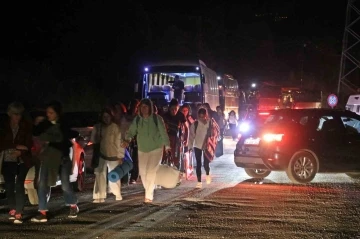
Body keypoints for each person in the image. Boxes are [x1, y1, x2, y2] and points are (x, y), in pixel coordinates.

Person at [31, 101, 79, 223]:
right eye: (47, 112)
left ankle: (73, 205)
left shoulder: (63, 124)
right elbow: (35, 131)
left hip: (62, 157)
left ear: (57, 113)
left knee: (65, 183)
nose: (48, 115)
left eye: (51, 112)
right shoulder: (45, 124)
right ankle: (42, 212)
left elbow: (68, 136)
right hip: (47, 157)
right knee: (42, 183)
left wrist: (52, 139)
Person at [122, 99, 170, 203]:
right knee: (143, 173)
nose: (144, 109)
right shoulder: (137, 120)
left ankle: (148, 195)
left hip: (156, 149)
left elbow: (163, 133)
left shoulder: (157, 119)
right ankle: (149, 188)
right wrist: (127, 140)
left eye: (146, 107)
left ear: (150, 107)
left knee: (151, 172)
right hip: (142, 149)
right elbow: (131, 132)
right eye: (142, 107)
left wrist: (167, 146)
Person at [0, 102, 33, 224]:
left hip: (22, 159)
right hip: (7, 159)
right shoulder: (4, 126)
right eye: (15, 114)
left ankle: (19, 212)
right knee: (9, 185)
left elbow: (29, 144)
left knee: (19, 184)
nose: (17, 117)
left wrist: (21, 152)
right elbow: (2, 143)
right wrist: (16, 146)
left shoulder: (25, 126)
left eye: (19, 114)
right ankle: (13, 208)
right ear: (9, 114)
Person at [92, 108, 124, 203]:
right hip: (102, 154)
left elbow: (119, 142)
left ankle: (117, 193)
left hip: (113, 156)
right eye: (104, 117)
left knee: (114, 176)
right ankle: (99, 195)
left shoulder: (115, 127)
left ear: (111, 117)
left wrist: (120, 156)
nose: (106, 119)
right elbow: (93, 140)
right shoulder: (98, 127)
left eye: (107, 116)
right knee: (99, 174)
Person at [188, 108, 220, 188]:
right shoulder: (195, 124)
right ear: (198, 116)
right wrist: (190, 146)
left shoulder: (211, 123)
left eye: (204, 116)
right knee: (198, 164)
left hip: (207, 146)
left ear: (206, 115)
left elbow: (216, 132)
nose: (202, 118)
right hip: (197, 145)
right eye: (200, 117)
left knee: (206, 163)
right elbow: (191, 136)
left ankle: (208, 174)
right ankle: (199, 182)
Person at [161, 99, 187, 173]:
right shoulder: (165, 116)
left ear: (178, 108)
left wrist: (186, 139)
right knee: (165, 155)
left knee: (176, 156)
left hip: (177, 139)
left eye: (175, 109)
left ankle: (176, 173)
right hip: (166, 138)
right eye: (172, 109)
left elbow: (186, 127)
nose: (174, 111)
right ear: (169, 108)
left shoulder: (181, 115)